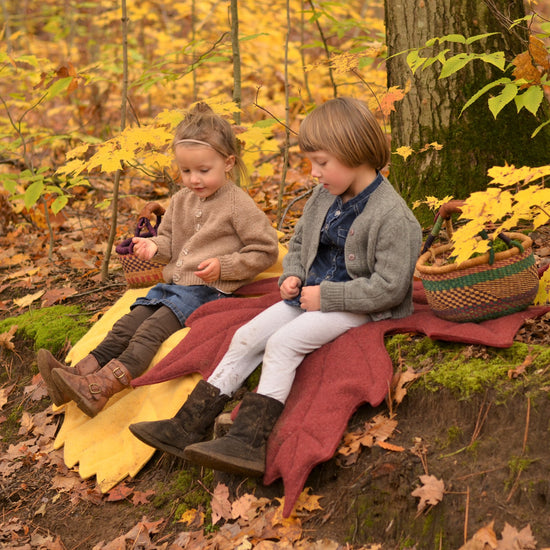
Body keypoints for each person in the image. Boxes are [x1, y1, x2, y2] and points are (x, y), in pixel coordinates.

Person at [129, 96, 422, 477]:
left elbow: (390, 287)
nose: (314, 173)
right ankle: (187, 425)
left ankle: (249, 442)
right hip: (310, 292)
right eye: (312, 163)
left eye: (321, 163)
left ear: (355, 153)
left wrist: (327, 296)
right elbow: (299, 244)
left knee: (284, 344)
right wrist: (293, 276)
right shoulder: (325, 196)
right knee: (247, 336)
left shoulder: (393, 216)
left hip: (356, 304)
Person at [37, 102, 280, 418]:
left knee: (149, 332)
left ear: (228, 162)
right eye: (186, 171)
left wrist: (225, 266)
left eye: (203, 170)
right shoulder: (180, 201)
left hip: (208, 291)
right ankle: (79, 374)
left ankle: (101, 389)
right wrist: (154, 247)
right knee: (125, 326)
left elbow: (265, 249)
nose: (194, 179)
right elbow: (170, 241)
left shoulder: (237, 204)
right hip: (174, 286)